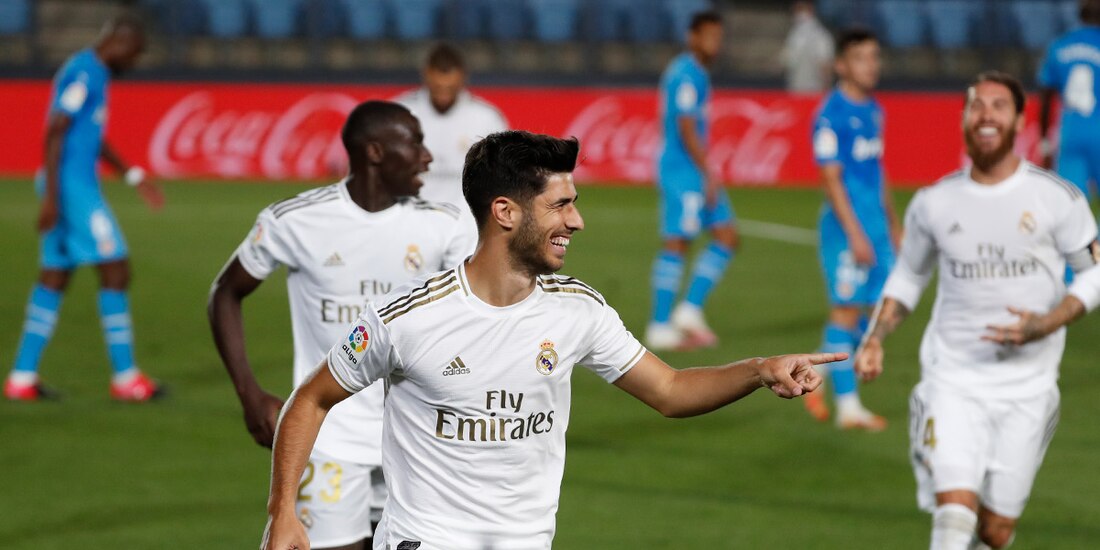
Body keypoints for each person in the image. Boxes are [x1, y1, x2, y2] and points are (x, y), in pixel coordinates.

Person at [260, 130, 846, 550]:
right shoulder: (408, 316)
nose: (576, 221)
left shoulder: (577, 310)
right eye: (560, 205)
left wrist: (761, 367)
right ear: (505, 212)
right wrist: (282, 511)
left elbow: (669, 390)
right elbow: (310, 398)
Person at [209, 100, 475, 550]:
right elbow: (225, 294)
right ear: (374, 152)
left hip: (417, 441)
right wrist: (248, 393)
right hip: (328, 437)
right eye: (414, 142)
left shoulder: (446, 225)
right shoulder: (295, 220)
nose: (428, 156)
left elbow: (470, 324)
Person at [855, 71, 1100, 550]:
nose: (986, 114)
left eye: (998, 105)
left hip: (1028, 391)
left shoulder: (1058, 198)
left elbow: (1093, 272)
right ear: (965, 119)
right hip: (952, 381)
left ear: (1019, 120)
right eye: (976, 105)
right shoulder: (934, 202)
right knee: (955, 511)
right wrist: (875, 338)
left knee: (995, 530)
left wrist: (1047, 322)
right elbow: (908, 277)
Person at [4, 14, 164, 402]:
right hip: (71, 188)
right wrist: (52, 199)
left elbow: (90, 136)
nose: (134, 63)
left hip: (67, 186)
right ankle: (126, 379)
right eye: (135, 54)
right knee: (116, 269)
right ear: (121, 43)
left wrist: (130, 174)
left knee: (54, 277)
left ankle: (22, 378)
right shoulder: (84, 73)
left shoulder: (96, 73)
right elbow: (57, 129)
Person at [802, 28, 895, 431]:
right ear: (841, 64)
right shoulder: (830, 115)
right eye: (862, 57)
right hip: (846, 230)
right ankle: (849, 409)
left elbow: (878, 170)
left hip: (876, 226)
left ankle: (820, 368)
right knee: (845, 311)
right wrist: (855, 234)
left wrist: (893, 224)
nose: (871, 65)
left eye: (875, 56)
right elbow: (831, 179)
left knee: (885, 313)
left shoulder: (874, 109)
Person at [647, 11, 740, 351]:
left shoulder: (697, 73)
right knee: (677, 242)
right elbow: (685, 126)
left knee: (727, 236)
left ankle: (688, 310)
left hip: (694, 171)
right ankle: (659, 325)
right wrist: (708, 171)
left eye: (720, 36)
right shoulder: (685, 75)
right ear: (693, 38)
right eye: (709, 36)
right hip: (683, 172)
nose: (716, 43)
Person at [395, 42, 508, 213]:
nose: (443, 95)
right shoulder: (400, 113)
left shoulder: (487, 119)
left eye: (450, 88)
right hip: (411, 217)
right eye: (438, 88)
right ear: (426, 76)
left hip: (466, 221)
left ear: (463, 78)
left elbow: (503, 175)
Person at [1038, 0, 1100, 202]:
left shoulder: (1060, 45)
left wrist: (1045, 143)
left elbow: (1046, 97)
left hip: (1071, 132)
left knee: (1070, 199)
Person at [780, 1, 835, 94]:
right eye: (796, 10)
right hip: (795, 90)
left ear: (811, 10)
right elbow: (787, 62)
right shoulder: (794, 34)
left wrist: (826, 91)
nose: (798, 13)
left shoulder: (821, 35)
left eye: (801, 9)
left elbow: (826, 66)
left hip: (814, 92)